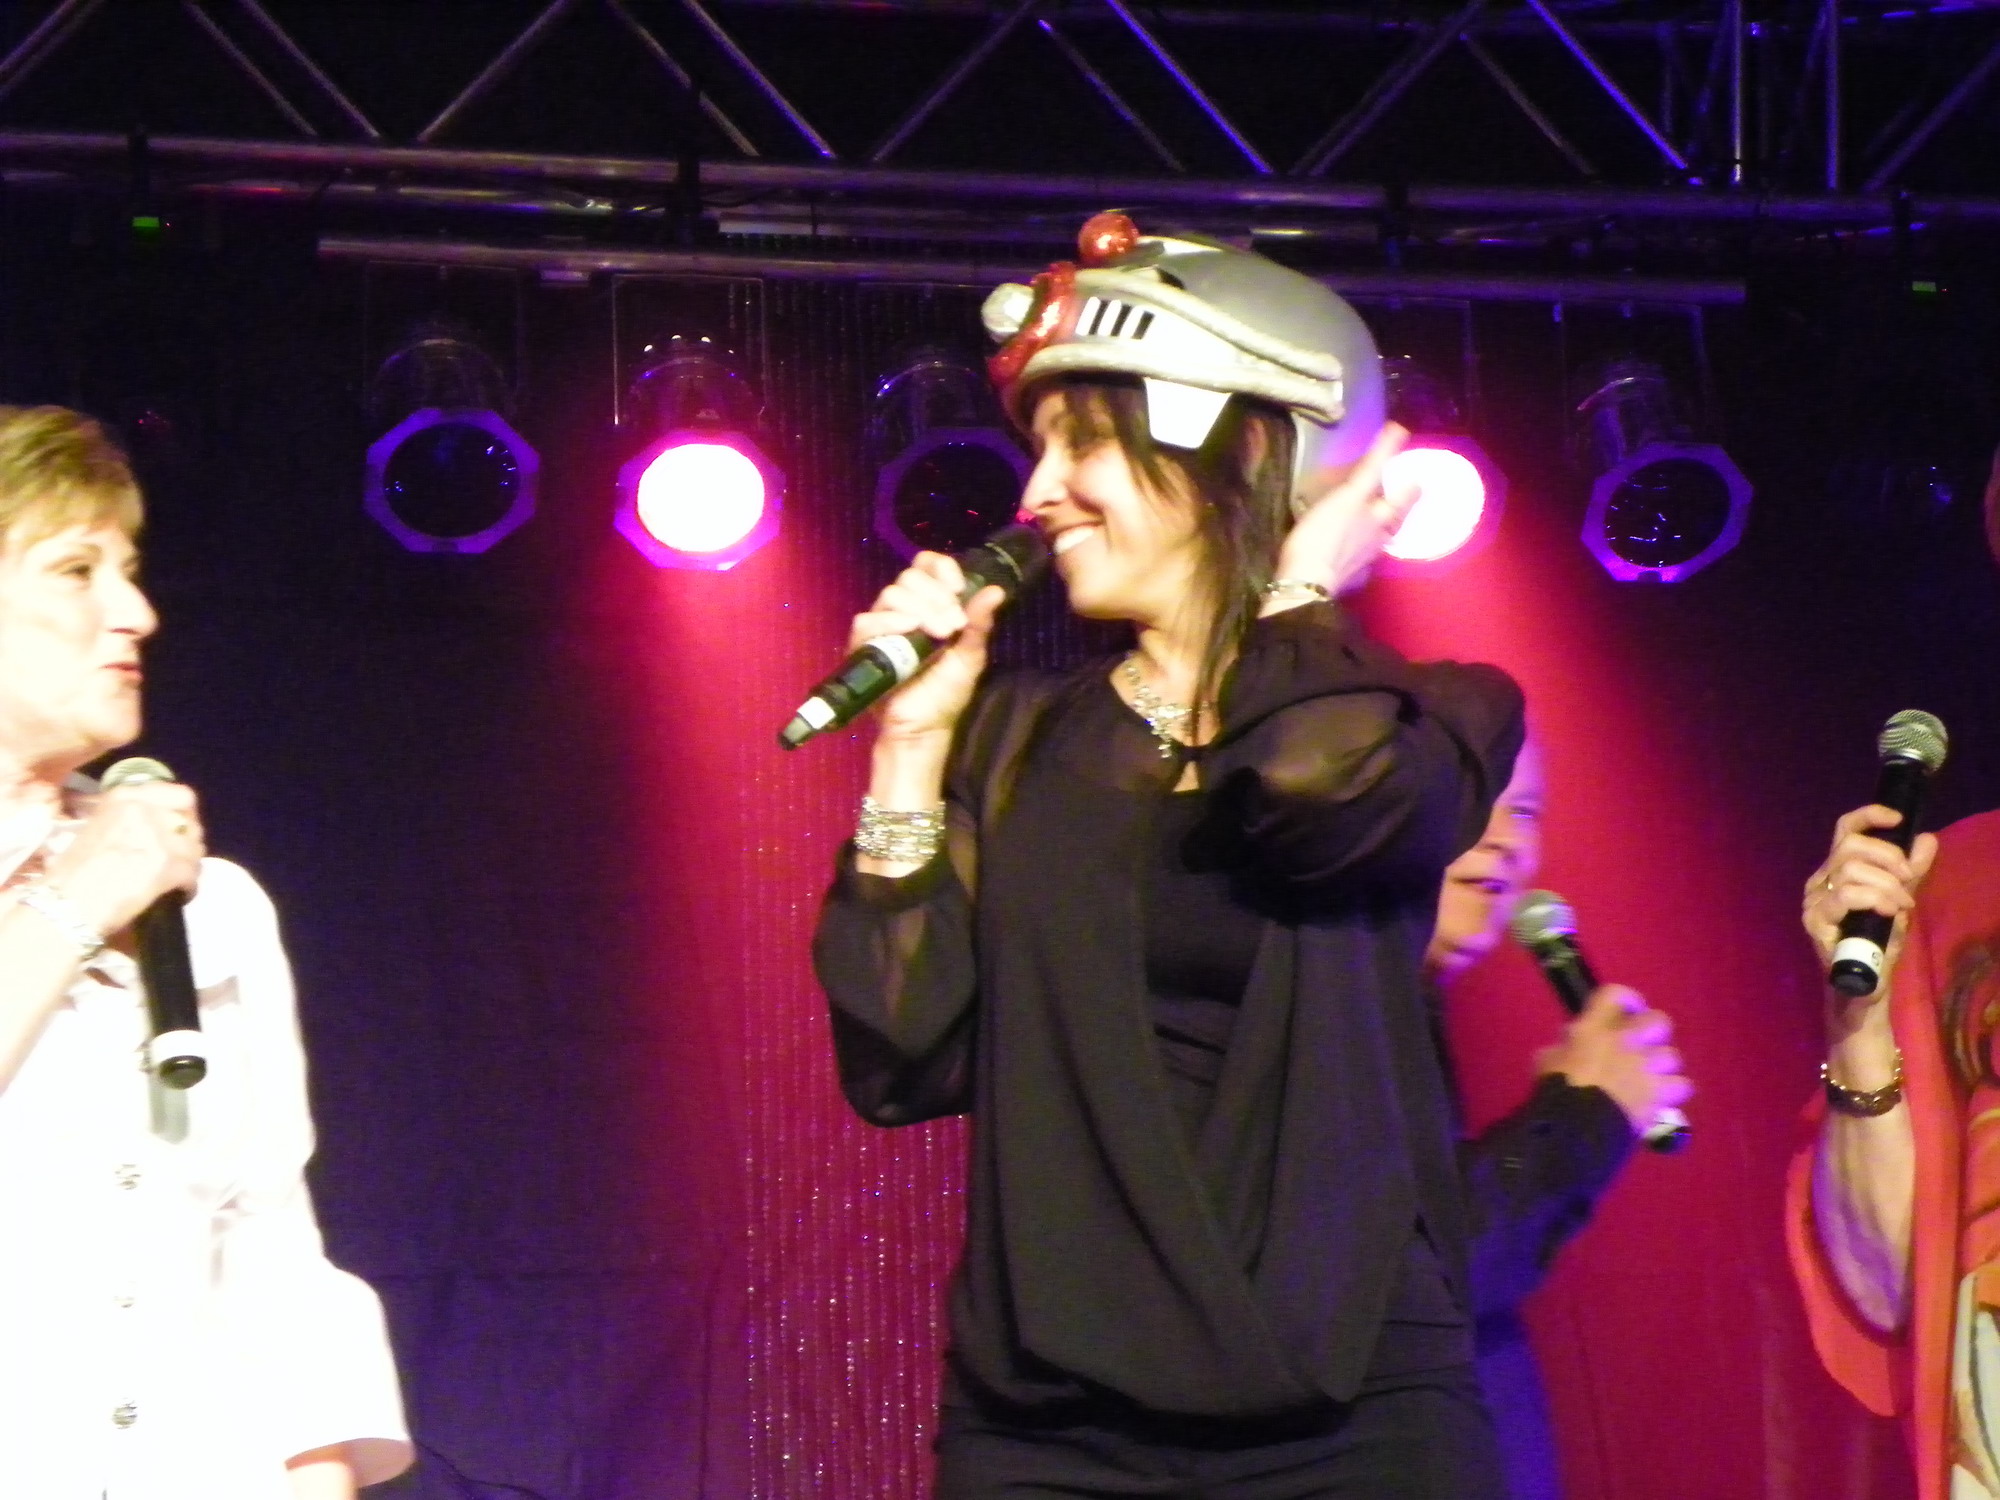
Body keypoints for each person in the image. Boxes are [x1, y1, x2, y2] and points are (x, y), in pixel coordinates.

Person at [813, 212, 1528, 1497]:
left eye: (1081, 443)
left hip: (1356, 1407)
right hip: (1049, 1424)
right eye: (1038, 446)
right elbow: (902, 1058)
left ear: (1240, 446)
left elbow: (1315, 797)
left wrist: (1296, 595)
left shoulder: (1435, 717)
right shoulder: (1015, 740)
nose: (1035, 492)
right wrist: (910, 748)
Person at [0, 406, 412, 1500]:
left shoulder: (208, 905)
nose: (134, 613)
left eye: (129, 573)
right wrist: (75, 902)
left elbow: (268, 1248)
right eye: (75, 571)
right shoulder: (106, 885)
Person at [1423, 738, 1690, 1500]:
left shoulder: (1410, 1020)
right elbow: (1418, 1276)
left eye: (1526, 811)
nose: (1505, 838)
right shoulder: (1324, 1020)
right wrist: (1579, 1114)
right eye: (1478, 798)